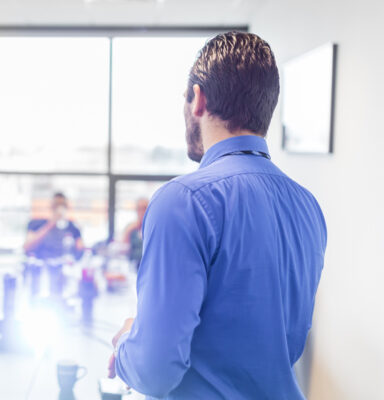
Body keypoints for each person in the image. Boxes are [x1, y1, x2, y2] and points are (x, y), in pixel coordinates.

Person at [108, 32, 327, 399]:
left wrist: (127, 340)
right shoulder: (308, 207)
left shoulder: (183, 200)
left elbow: (154, 370)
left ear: (198, 98)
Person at [23, 192, 85, 260]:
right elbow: (27, 247)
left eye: (62, 205)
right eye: (56, 205)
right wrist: (51, 224)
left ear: (67, 207)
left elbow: (80, 250)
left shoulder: (73, 228)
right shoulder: (36, 223)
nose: (59, 208)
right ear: (51, 206)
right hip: (41, 266)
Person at [121, 198, 149, 269]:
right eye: (139, 209)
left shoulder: (152, 229)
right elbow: (123, 250)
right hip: (132, 267)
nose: (142, 212)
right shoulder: (131, 228)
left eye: (144, 208)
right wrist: (128, 231)